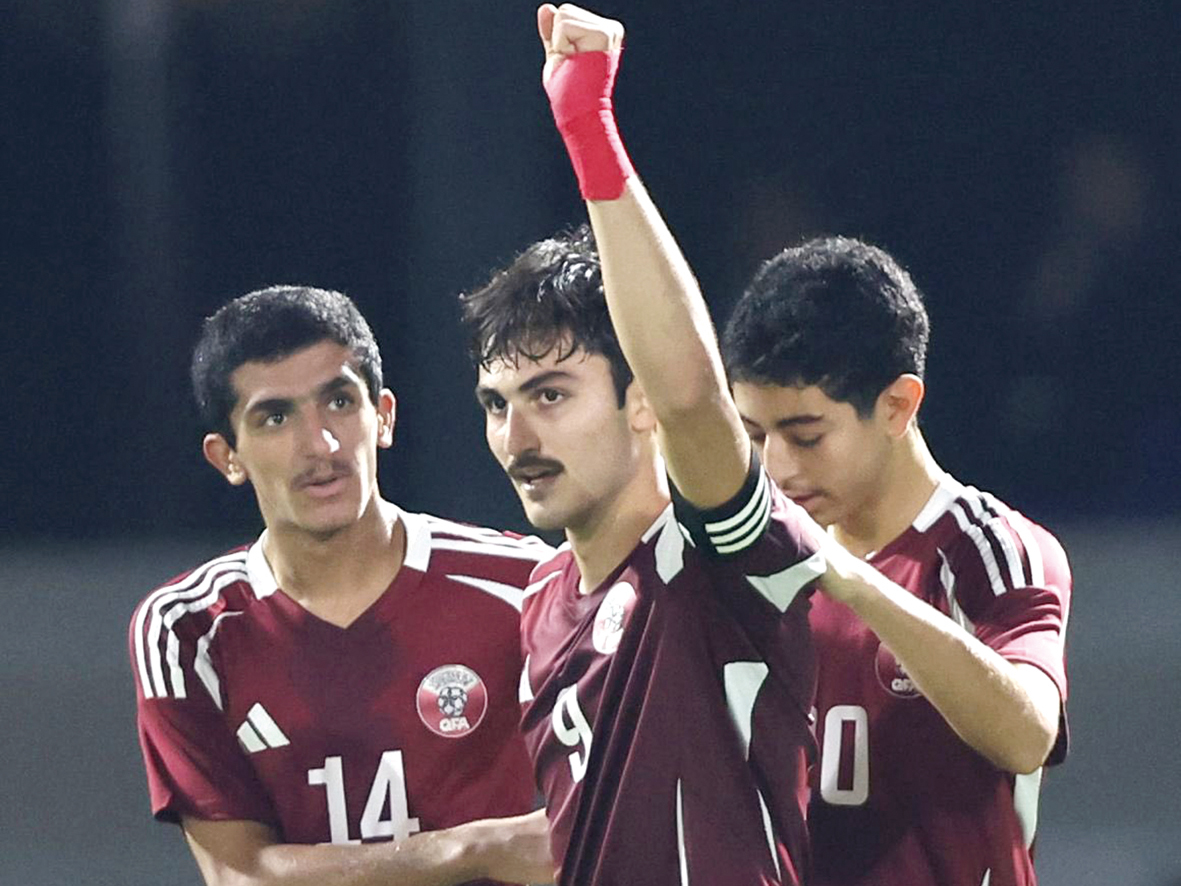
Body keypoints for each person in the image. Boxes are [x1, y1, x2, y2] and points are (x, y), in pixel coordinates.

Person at [459, 6, 896, 883]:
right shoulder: (540, 601)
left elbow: (694, 394)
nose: (517, 436)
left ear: (640, 406)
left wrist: (588, 131)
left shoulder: (720, 553)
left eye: (551, 395)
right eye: (496, 405)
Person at [129, 285, 556, 886]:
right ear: (227, 457)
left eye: (338, 402)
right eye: (276, 418)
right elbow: (241, 877)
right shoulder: (187, 629)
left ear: (383, 416)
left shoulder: (528, 583)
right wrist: (475, 849)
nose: (321, 445)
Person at [722, 237, 1072, 886]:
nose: (776, 467)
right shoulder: (751, 567)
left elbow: (1027, 737)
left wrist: (855, 582)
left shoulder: (987, 549)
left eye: (805, 436)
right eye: (755, 435)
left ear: (897, 406)